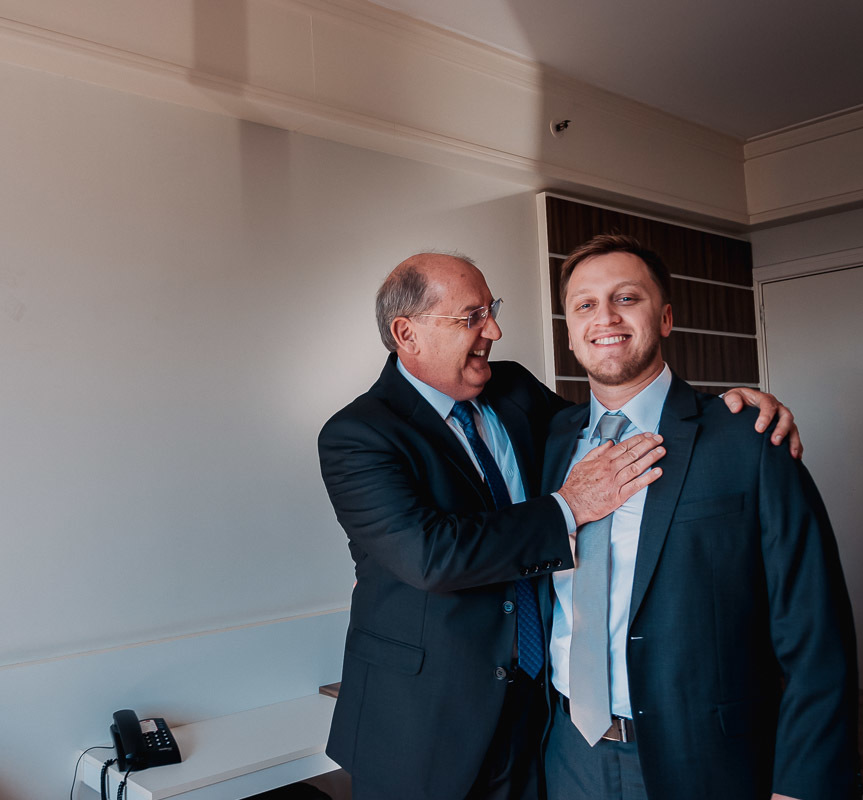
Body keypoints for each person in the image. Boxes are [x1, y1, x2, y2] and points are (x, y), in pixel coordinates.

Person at [317, 251, 800, 800]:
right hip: (422, 727)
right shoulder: (356, 434)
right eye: (472, 317)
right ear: (408, 334)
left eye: (492, 310)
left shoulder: (513, 389)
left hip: (540, 718)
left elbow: (615, 419)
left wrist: (726, 410)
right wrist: (569, 506)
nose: (494, 331)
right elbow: (432, 556)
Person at [542, 235, 858, 800]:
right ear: (569, 332)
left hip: (707, 760)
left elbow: (815, 630)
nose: (605, 317)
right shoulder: (546, 442)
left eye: (626, 298)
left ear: (665, 317)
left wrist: (800, 785)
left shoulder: (748, 438)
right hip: (567, 755)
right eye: (585, 305)